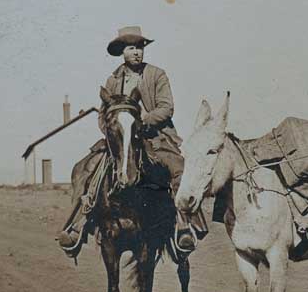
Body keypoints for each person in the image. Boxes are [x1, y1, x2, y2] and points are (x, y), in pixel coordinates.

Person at [56, 26, 207, 258]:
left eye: (140, 47)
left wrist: (145, 120)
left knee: (178, 168)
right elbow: (103, 114)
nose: (137, 52)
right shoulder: (113, 79)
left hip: (154, 136)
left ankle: (184, 226)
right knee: (87, 169)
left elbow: (167, 107)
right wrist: (111, 131)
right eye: (131, 48)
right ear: (122, 52)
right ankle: (77, 224)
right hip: (120, 137)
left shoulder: (157, 75)